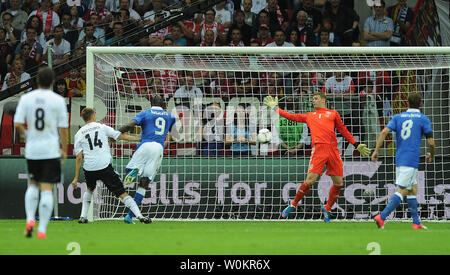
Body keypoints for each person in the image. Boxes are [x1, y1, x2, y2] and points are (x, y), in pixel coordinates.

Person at [263, 92, 371, 222]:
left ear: (323, 100)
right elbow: (290, 116)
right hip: (319, 149)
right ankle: (293, 205)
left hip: (333, 150)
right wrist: (275, 108)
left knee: (339, 183)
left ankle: (328, 207)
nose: (313, 101)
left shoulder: (333, 113)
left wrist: (356, 144)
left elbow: (343, 130)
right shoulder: (309, 115)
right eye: (312, 99)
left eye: (316, 99)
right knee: (309, 181)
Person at [13, 67, 69, 239]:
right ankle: (42, 229)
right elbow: (63, 129)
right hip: (51, 149)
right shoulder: (58, 100)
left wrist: (27, 134)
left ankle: (30, 219)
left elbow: (17, 124)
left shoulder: (27, 98)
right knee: (46, 189)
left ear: (37, 81)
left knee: (32, 184)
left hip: (33, 150)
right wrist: (65, 150)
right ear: (53, 82)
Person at [71, 107, 151, 224]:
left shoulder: (78, 134)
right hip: (104, 166)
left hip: (89, 167)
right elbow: (120, 136)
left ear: (83, 119)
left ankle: (82, 217)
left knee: (89, 189)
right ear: (93, 116)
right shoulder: (102, 127)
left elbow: (78, 157)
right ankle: (139, 216)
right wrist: (139, 139)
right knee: (122, 193)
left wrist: (76, 178)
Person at [372, 92, 435, 230]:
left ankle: (416, 222)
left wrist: (376, 150)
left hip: (400, 157)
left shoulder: (398, 117)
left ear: (407, 104)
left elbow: (383, 132)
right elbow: (431, 142)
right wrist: (431, 153)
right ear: (421, 104)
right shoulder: (423, 118)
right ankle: (382, 217)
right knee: (404, 189)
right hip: (411, 159)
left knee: (412, 189)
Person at [119, 95, 176, 224]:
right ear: (164, 105)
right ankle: (130, 215)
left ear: (151, 104)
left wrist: (117, 133)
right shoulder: (170, 116)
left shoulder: (146, 113)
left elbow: (130, 125)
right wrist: (165, 143)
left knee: (129, 171)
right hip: (158, 148)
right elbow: (174, 134)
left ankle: (133, 172)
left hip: (145, 145)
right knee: (145, 182)